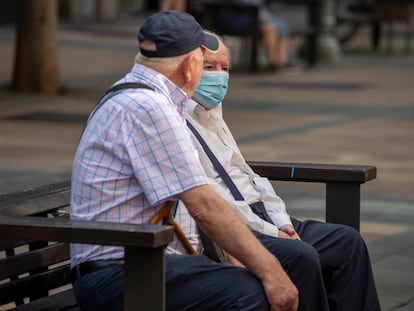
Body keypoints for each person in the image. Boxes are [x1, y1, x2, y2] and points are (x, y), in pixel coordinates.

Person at [70, 10, 298, 311]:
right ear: (190, 66)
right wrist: (271, 271)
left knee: (265, 274)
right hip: (122, 272)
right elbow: (204, 204)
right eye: (204, 62)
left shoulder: (143, 96)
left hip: (143, 261)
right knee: (250, 290)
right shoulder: (148, 106)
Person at [172, 35, 382, 310]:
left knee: (347, 242)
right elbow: (212, 201)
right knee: (302, 255)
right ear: (189, 69)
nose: (220, 77)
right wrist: (272, 231)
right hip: (236, 227)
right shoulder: (175, 122)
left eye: (226, 68)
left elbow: (249, 176)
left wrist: (282, 222)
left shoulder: (212, 115)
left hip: (263, 216)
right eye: (210, 68)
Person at [217, 0, 291, 72]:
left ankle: (282, 61)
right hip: (237, 16)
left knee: (281, 24)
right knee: (269, 27)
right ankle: (273, 62)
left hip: (255, 14)